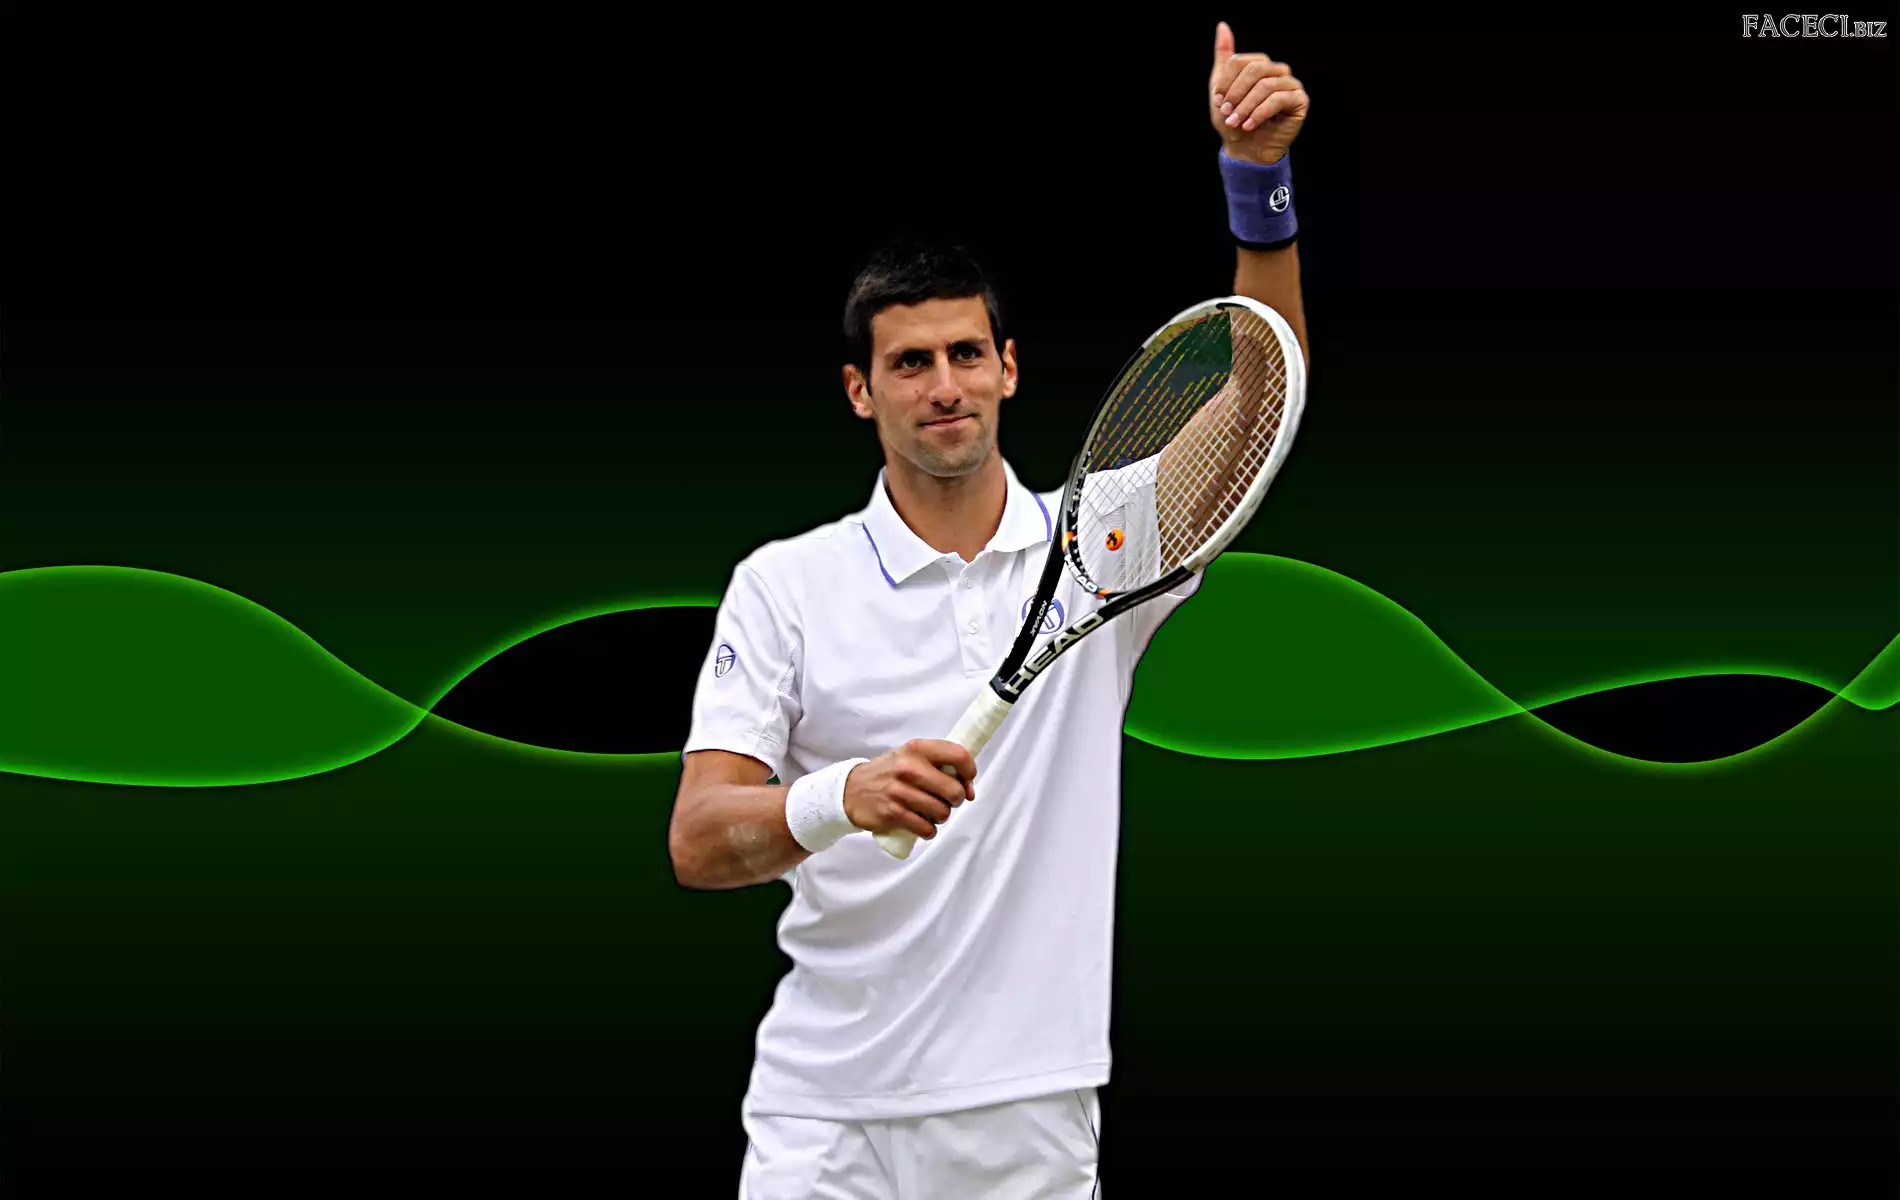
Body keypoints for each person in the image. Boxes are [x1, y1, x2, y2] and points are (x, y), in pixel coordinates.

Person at [668, 22, 1311, 1197]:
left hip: (1026, 1114)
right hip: (824, 1116)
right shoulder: (783, 583)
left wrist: (1254, 188)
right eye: (909, 363)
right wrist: (842, 796)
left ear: (1008, 368)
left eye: (967, 354)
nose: (945, 386)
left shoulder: (1102, 542)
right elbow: (700, 841)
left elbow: (1255, 402)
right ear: (860, 392)